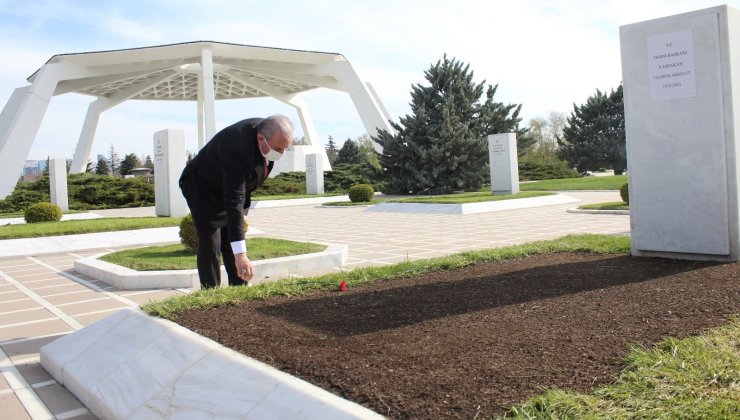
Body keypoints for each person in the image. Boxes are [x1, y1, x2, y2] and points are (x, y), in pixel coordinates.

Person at [179, 114, 294, 289]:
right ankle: (211, 294)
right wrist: (241, 255)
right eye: (278, 148)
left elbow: (246, 186)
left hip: (228, 185)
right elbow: (234, 199)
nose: (281, 153)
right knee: (212, 240)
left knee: (230, 236)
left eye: (285, 149)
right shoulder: (237, 147)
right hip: (202, 187)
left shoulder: (267, 134)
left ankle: (238, 289)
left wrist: (241, 216)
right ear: (261, 138)